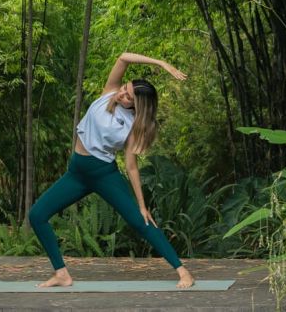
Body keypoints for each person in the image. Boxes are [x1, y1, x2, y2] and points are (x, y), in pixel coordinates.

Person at [28, 52, 196, 289]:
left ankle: (183, 272)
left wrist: (141, 204)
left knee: (141, 222)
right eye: (125, 88)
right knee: (37, 215)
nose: (122, 94)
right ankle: (61, 274)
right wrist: (160, 63)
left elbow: (131, 166)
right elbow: (123, 57)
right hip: (76, 172)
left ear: (138, 106)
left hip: (102, 174)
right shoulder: (109, 92)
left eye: (128, 97)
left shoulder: (134, 126)